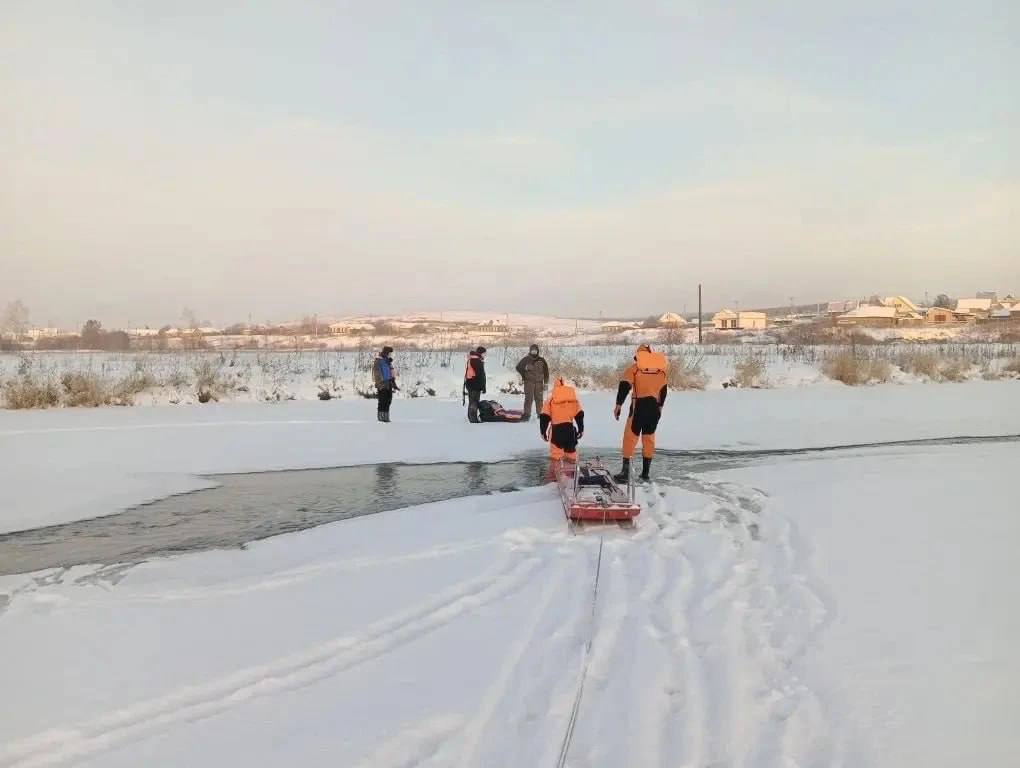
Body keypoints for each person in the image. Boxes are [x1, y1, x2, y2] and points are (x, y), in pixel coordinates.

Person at [614, 344, 668, 481]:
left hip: (639, 408)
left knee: (630, 437)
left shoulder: (635, 369)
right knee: (649, 439)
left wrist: (618, 405)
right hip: (654, 409)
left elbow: (624, 387)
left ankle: (625, 473)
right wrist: (660, 408)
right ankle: (645, 473)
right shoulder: (661, 372)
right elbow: (663, 391)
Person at [539, 377, 585, 461]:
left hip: (556, 431)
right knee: (571, 453)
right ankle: (573, 471)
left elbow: (544, 417)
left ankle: (556, 471)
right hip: (570, 430)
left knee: (556, 455)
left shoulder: (551, 400)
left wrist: (543, 432)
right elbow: (579, 415)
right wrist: (581, 429)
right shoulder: (573, 400)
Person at [515, 344, 549, 422]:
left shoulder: (542, 360)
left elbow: (546, 372)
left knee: (539, 399)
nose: (534, 352)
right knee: (528, 399)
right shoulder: (526, 359)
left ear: (537, 351)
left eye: (535, 350)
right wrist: (525, 369)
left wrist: (546, 383)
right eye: (532, 350)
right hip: (529, 383)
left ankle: (540, 414)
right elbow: (518, 367)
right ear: (530, 351)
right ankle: (527, 415)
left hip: (539, 383)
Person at [372, 345, 398, 422]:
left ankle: (386, 417)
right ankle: (381, 418)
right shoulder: (379, 361)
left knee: (388, 401)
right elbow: (377, 374)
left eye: (391, 353)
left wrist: (394, 383)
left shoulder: (388, 362)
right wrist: (380, 384)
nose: (390, 355)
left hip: (389, 383)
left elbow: (391, 373)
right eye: (389, 353)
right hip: (382, 384)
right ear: (386, 352)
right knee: (382, 401)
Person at [463, 346, 487, 423]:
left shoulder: (472, 359)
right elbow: (480, 376)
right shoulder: (476, 361)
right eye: (484, 353)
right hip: (475, 384)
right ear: (481, 353)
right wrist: (483, 387)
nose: (485, 355)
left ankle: (471, 417)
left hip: (470, 383)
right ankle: (473, 419)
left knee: (472, 401)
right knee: (474, 402)